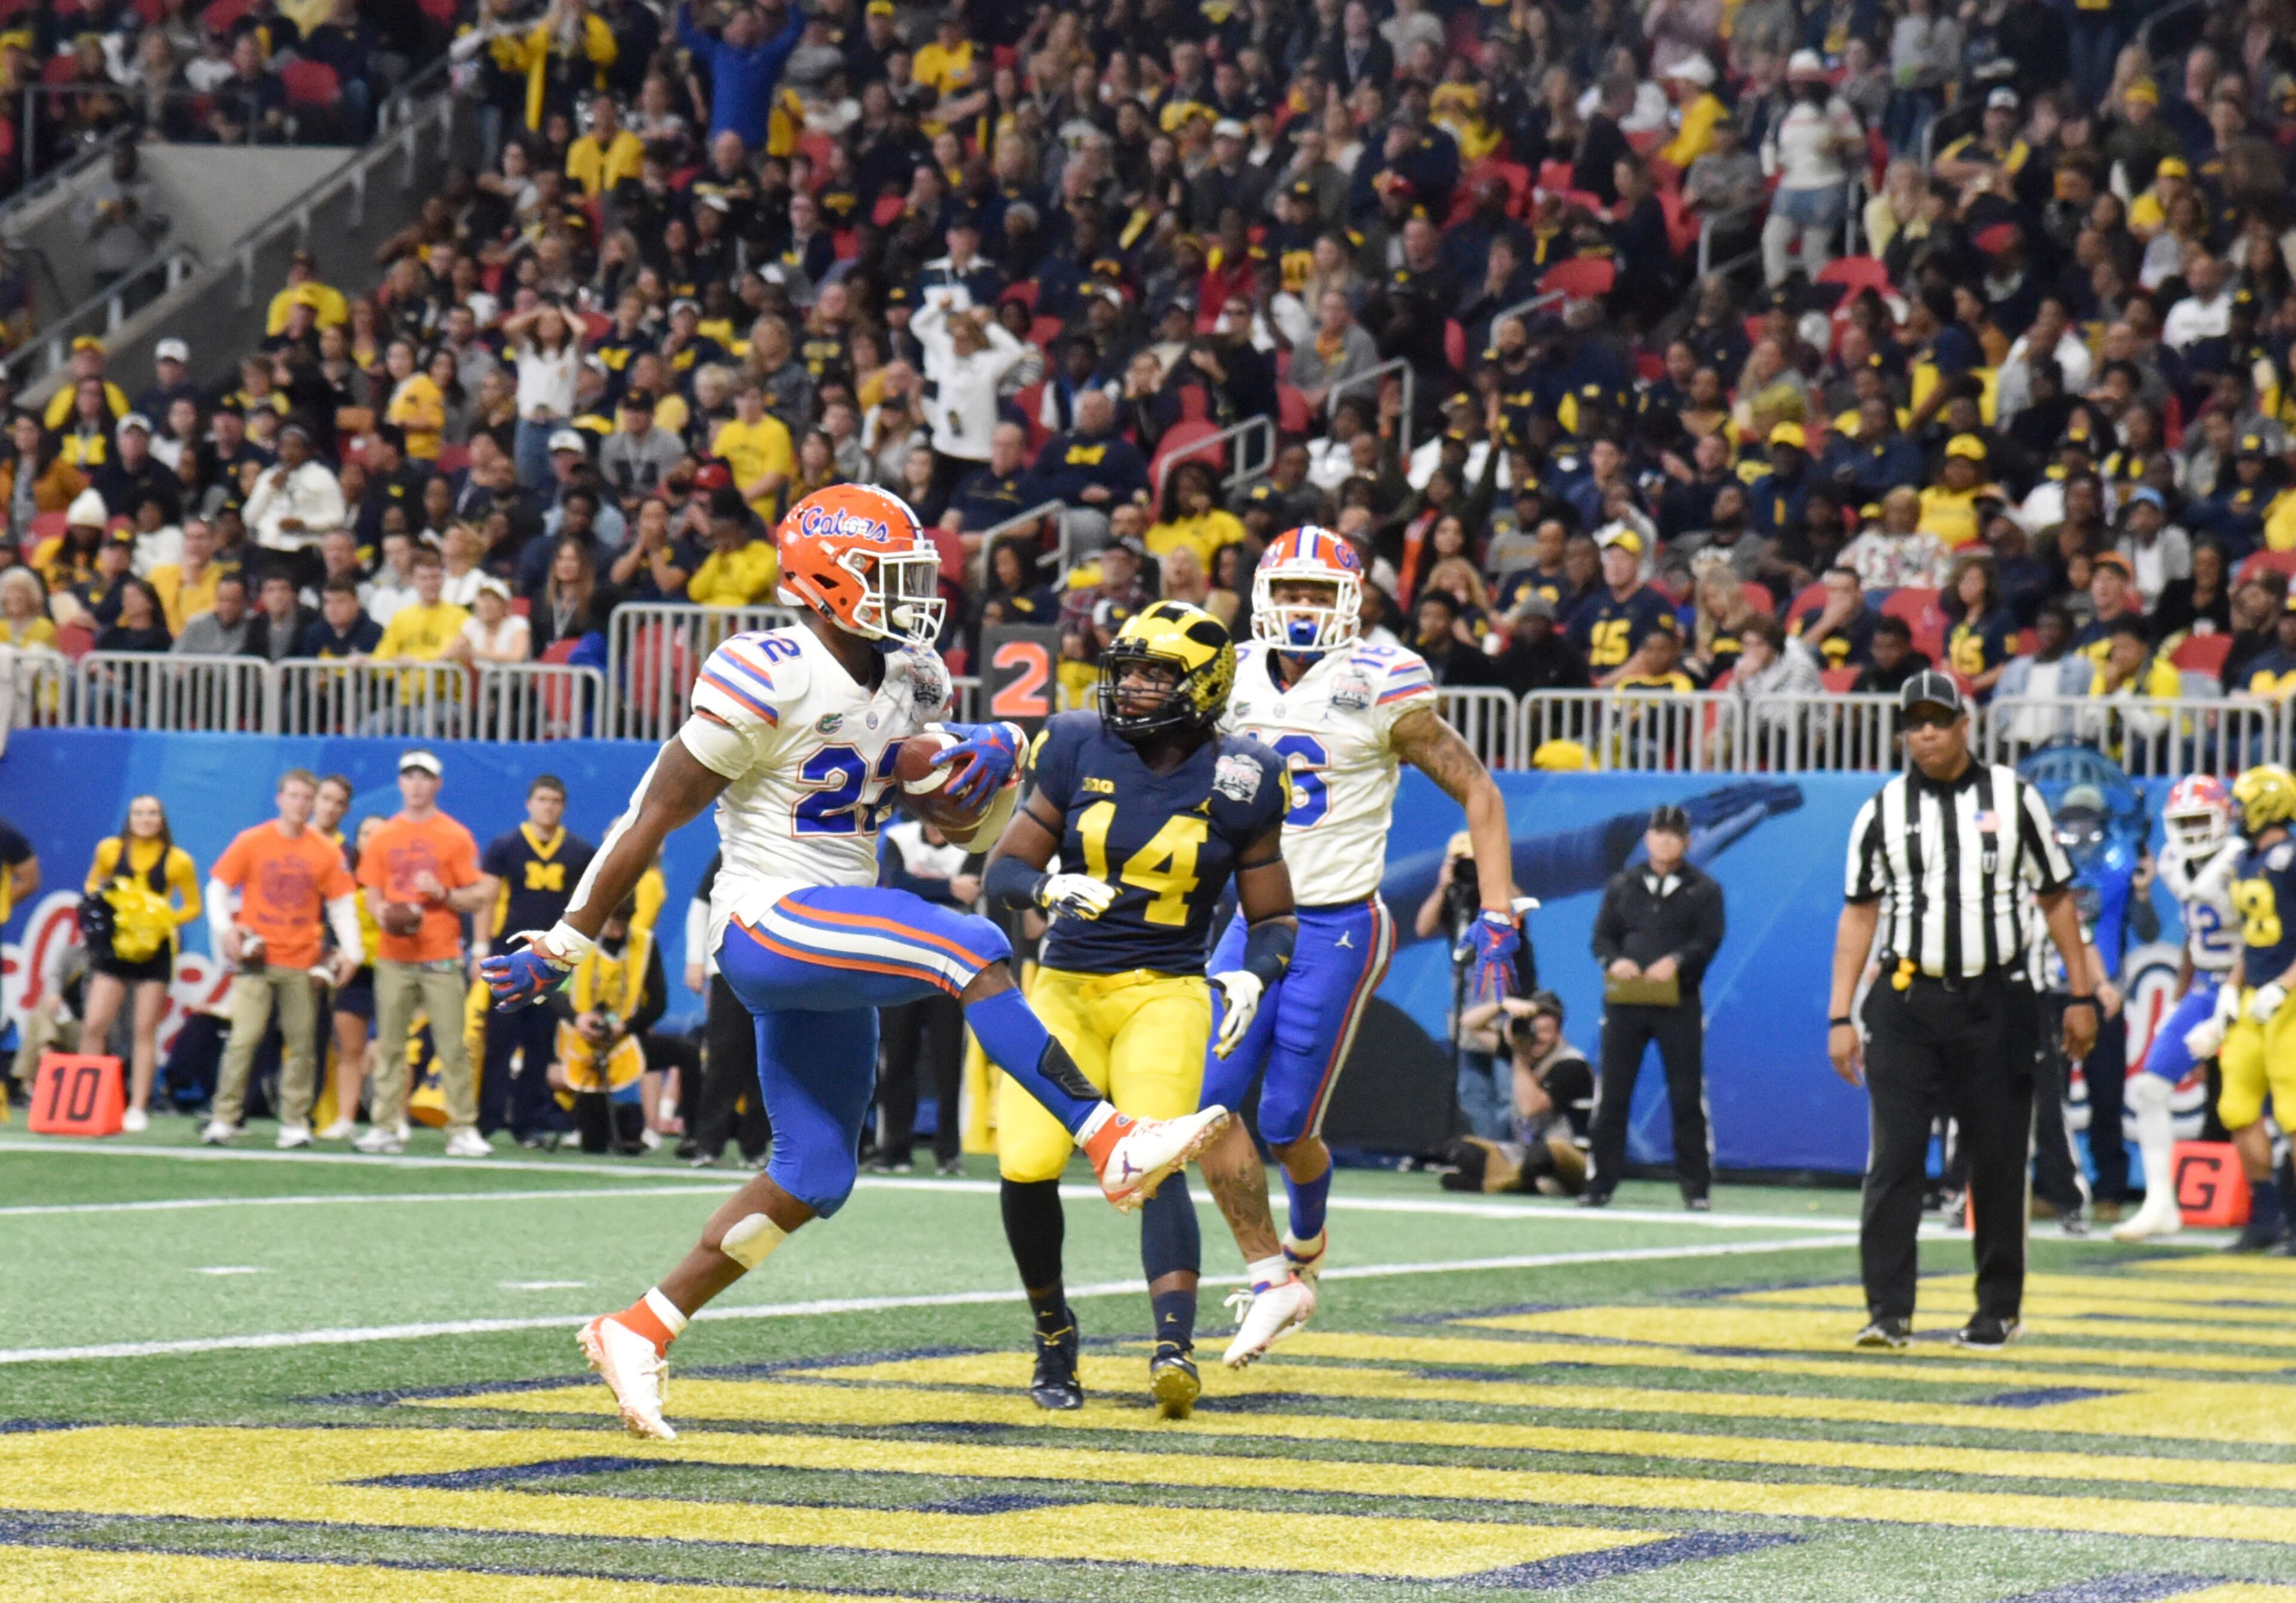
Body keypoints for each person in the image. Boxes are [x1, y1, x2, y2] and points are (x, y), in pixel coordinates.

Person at [478, 483, 1229, 1445]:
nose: (913, 594)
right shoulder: (768, 669)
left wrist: (976, 776)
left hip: (837, 922)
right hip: (773, 922)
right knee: (969, 943)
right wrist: (566, 939)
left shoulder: (913, 675)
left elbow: (945, 819)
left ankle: (639, 1327)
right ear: (827, 579)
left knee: (817, 1170)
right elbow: (652, 811)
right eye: (892, 575)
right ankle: (1107, 1138)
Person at [1193, 527, 1521, 1367]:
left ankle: (1307, 1236)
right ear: (1263, 592)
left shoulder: (1379, 680)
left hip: (1338, 922)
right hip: (1250, 916)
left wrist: (1496, 910)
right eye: (1290, 590)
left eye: (1317, 591)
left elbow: (1477, 788)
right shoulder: (1225, 673)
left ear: (1351, 598)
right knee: (1209, 1108)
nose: (1302, 606)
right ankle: (1272, 1276)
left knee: (1287, 1122)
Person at [979, 599, 1297, 1417]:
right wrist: (1046, 884)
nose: (1136, 689)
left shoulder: (1248, 775)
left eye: (1158, 674)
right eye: (1130, 672)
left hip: (1166, 989)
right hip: (1067, 988)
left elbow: (1275, 918)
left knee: (1155, 1161)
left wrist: (1257, 974)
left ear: (1206, 684)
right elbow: (1002, 873)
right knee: (1026, 1164)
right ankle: (1054, 1333)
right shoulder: (1075, 743)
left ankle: (1173, 1348)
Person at [1829, 671, 2093, 1350]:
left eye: (1937, 720)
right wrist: (1840, 1014)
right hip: (1907, 1000)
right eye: (1914, 721)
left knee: (2000, 1155)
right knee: (1896, 1157)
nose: (1925, 732)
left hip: (1998, 997)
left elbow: (2056, 896)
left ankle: (1997, 1308)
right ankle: (1888, 1310)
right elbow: (1860, 911)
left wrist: (2083, 992)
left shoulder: (2015, 797)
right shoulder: (1882, 808)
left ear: (1964, 724)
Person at [199, 770, 362, 1148]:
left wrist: (352, 952)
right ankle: (225, 1117)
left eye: (307, 798)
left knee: (303, 1043)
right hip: (259, 955)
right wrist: (226, 929)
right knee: (244, 1038)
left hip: (303, 958)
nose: (300, 805)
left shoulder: (325, 851)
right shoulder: (253, 841)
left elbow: (341, 905)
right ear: (280, 799)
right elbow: (218, 888)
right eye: (294, 796)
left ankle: (294, 1121)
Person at [2114, 774, 2240, 1241]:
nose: (2190, 831)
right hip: (2207, 986)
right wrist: (2185, 995)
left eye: (2199, 819)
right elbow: (2192, 934)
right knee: (2147, 1088)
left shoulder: (2240, 861)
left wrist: (2231, 1001)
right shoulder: (2173, 862)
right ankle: (2161, 1202)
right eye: (2182, 821)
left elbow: (2265, 937)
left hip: (2251, 986)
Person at [1584, 802, 1727, 1209]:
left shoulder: (1704, 889)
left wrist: (1677, 961)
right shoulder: (1622, 885)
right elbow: (1601, 939)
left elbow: (1709, 940)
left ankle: (1696, 1187)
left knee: (1686, 1095)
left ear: (1687, 841)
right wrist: (1617, 962)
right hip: (1625, 1003)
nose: (1666, 840)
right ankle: (1599, 1184)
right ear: (1647, 839)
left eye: (1674, 834)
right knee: (1612, 1094)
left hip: (1677, 1003)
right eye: (1659, 833)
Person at [355, 750, 494, 1157]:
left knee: (452, 1044)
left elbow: (478, 895)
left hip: (441, 954)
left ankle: (462, 1127)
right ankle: (385, 1124)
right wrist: (385, 913)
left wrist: (443, 893)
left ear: (438, 784)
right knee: (390, 1044)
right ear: (400, 783)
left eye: (425, 777)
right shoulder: (383, 836)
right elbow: (372, 892)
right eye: (409, 777)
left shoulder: (454, 835)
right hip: (395, 953)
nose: (416, 784)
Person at [2205, 765, 2296, 1253]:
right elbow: (2251, 938)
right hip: (2252, 997)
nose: (2236, 812)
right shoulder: (2245, 862)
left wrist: (2284, 986)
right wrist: (2229, 990)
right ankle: (2265, 1216)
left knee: (2294, 1112)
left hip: (2289, 998)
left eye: (2242, 803)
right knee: (2237, 1106)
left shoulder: (2293, 858)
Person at [477, 775, 596, 1147]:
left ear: (564, 806)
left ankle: (527, 1124)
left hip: (552, 960)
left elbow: (583, 906)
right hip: (509, 956)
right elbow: (488, 899)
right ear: (529, 803)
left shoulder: (578, 851)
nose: (548, 806)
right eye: (542, 799)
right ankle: (486, 1120)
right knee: (498, 1041)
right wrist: (481, 947)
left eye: (556, 800)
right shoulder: (506, 846)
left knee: (540, 1044)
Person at [77, 794, 201, 1132]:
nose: (146, 819)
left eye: (153, 814)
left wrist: (163, 919)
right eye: (139, 813)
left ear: (162, 820)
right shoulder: (110, 850)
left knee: (144, 1030)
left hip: (154, 952)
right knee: (94, 1023)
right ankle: (88, 1097)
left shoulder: (178, 860)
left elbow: (194, 905)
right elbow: (92, 883)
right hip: (116, 948)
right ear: (129, 818)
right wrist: (109, 905)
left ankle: (137, 1106)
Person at [872, 814, 977, 1175]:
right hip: (902, 961)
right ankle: (893, 1150)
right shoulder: (900, 838)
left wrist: (923, 886)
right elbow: (894, 885)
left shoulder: (972, 841)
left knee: (949, 1062)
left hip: (951, 965)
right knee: (897, 1056)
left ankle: (948, 1153)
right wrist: (949, 888)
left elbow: (974, 889)